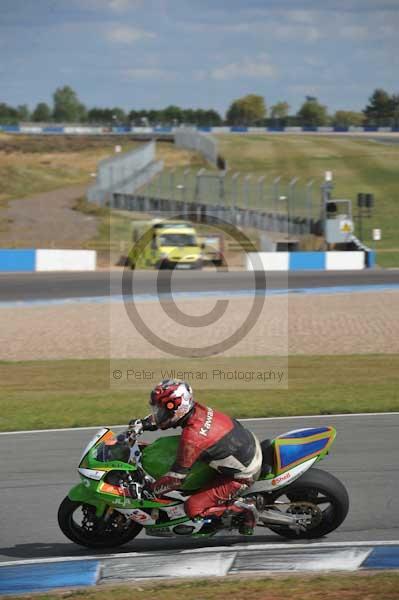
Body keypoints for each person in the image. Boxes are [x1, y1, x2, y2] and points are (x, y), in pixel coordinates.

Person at [132, 378, 263, 535]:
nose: (158, 414)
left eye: (161, 410)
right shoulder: (196, 411)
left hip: (243, 474)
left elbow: (175, 480)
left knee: (193, 507)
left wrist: (150, 491)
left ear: (177, 407)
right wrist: (143, 423)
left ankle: (245, 509)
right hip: (242, 446)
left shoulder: (193, 437)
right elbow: (167, 418)